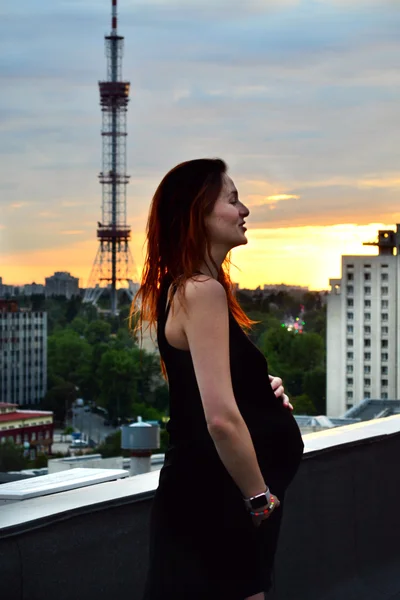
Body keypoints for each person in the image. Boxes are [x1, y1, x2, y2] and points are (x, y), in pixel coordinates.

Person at [134, 158, 304, 600]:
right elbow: (220, 420)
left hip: (213, 496)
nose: (245, 209)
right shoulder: (201, 291)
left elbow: (205, 395)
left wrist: (260, 393)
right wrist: (258, 498)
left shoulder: (190, 288)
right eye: (232, 200)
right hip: (219, 500)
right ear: (198, 215)